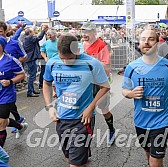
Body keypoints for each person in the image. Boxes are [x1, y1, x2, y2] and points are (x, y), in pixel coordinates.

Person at [43, 33, 110, 167]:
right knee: (69, 157)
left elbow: (105, 87)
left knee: (75, 164)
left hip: (83, 119)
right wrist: (50, 108)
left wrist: (90, 108)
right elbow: (46, 83)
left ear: (77, 51)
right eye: (63, 59)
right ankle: (83, 154)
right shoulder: (52, 63)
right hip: (62, 118)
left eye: (70, 58)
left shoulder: (92, 63)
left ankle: (82, 154)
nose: (67, 62)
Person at [122, 28, 168, 167]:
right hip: (141, 121)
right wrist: (131, 94)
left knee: (156, 160)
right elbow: (124, 90)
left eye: (151, 39)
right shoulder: (131, 67)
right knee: (148, 151)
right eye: (143, 39)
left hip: (163, 120)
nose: (146, 42)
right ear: (139, 44)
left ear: (157, 43)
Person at [0, 21, 27, 135]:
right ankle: (18, 122)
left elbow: (24, 56)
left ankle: (0, 130)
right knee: (4, 108)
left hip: (10, 78)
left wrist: (12, 67)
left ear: (6, 32)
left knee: (6, 104)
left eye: (0, 32)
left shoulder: (14, 43)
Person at [81, 22, 116, 145]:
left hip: (100, 83)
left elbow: (107, 66)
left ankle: (111, 130)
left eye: (87, 31)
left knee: (104, 109)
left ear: (94, 32)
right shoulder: (83, 44)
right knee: (87, 109)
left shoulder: (102, 46)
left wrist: (90, 60)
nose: (84, 34)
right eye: (83, 31)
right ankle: (85, 141)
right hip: (86, 82)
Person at [23, 25, 48, 97]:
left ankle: (32, 90)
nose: (34, 32)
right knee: (32, 76)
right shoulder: (29, 38)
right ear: (30, 32)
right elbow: (39, 37)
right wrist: (43, 30)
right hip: (31, 58)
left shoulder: (27, 38)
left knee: (32, 75)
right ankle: (30, 91)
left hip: (30, 58)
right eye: (32, 31)